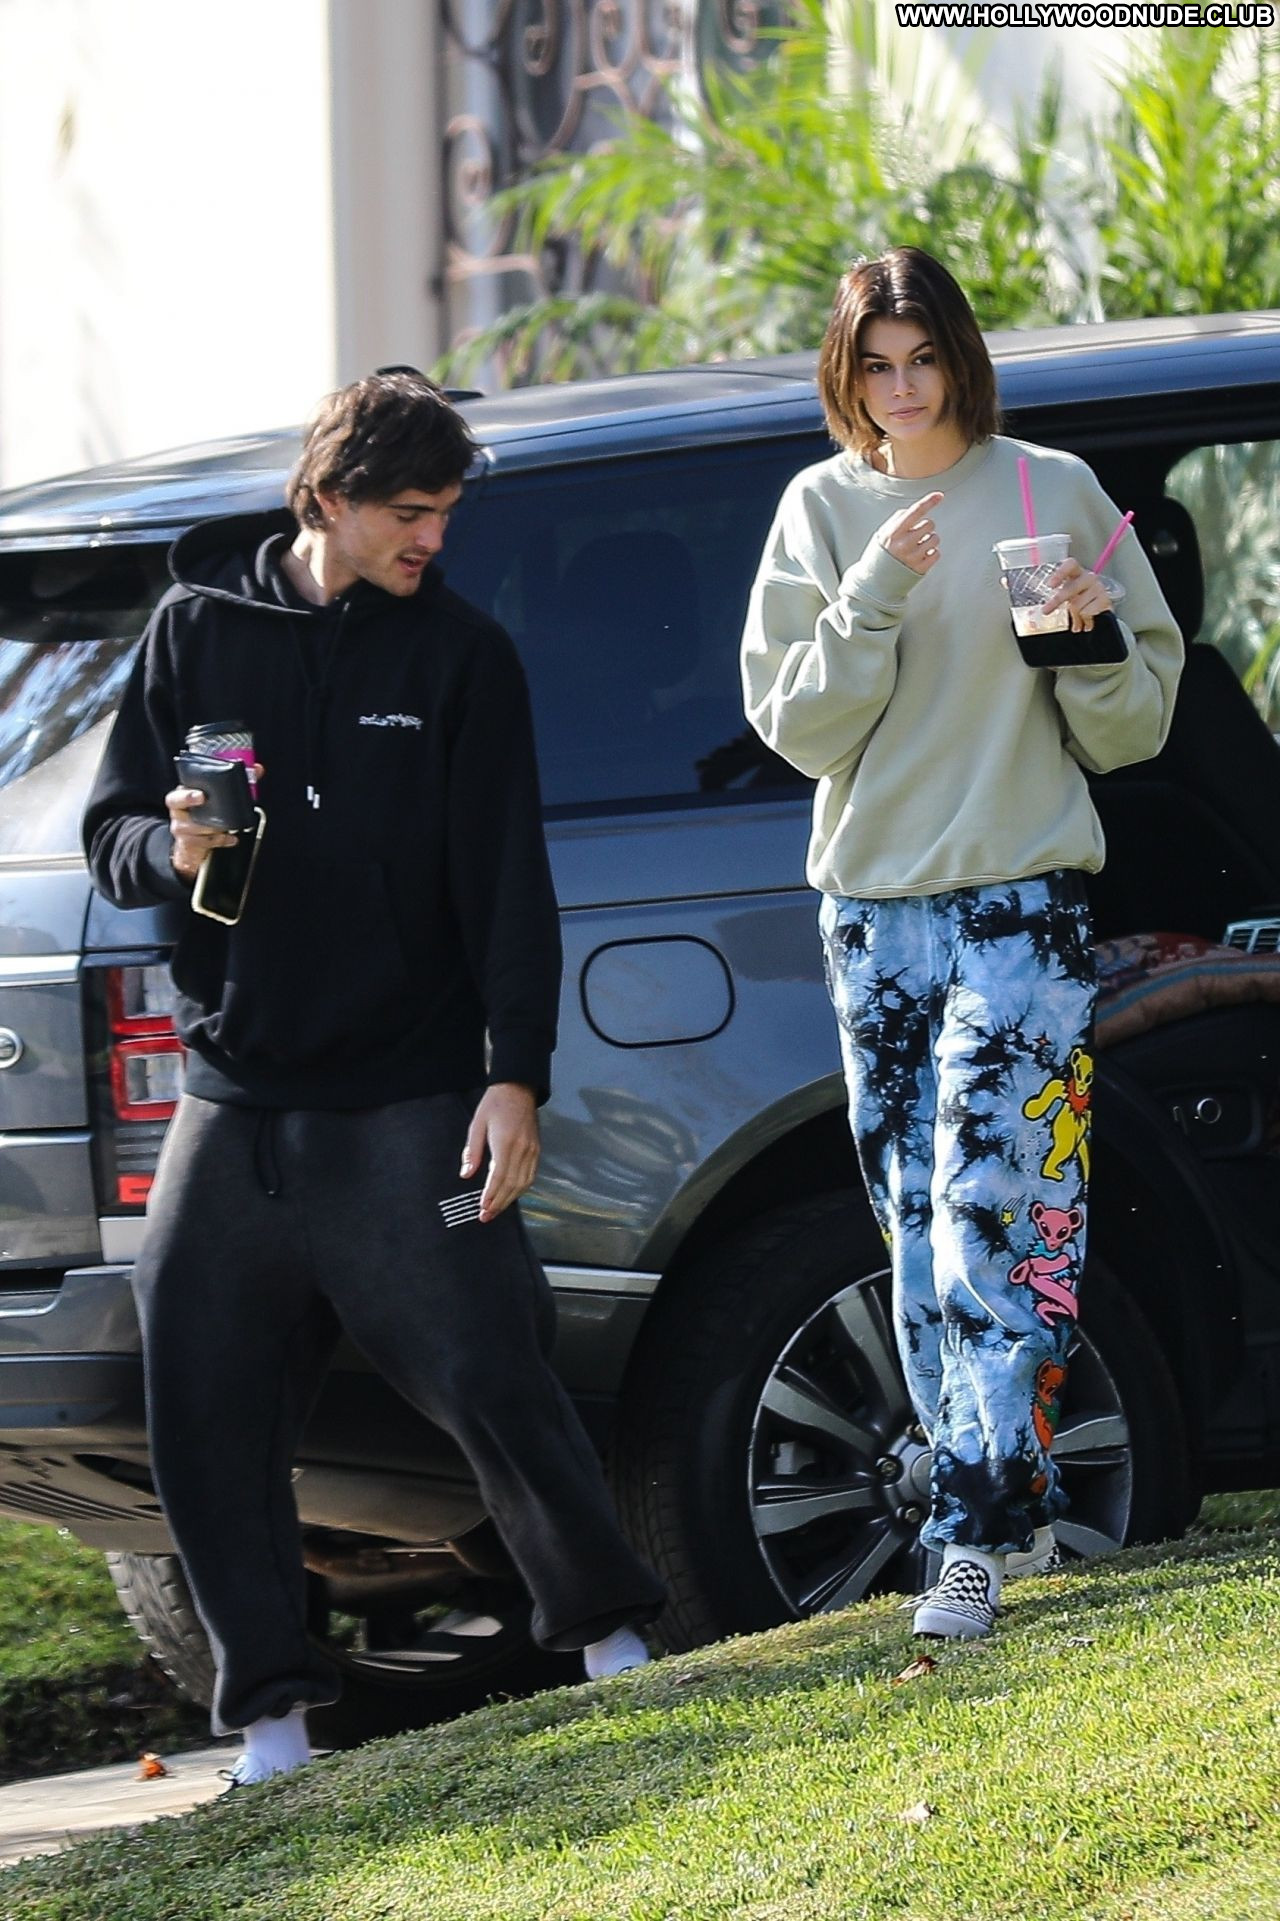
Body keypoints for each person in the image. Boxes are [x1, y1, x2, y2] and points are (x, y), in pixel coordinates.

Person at [83, 370, 664, 1785]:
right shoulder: (195, 631)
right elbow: (113, 837)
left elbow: (509, 887)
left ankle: (613, 1642)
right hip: (235, 1098)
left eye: (445, 512)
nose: (432, 539)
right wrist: (173, 850)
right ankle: (273, 1725)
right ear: (329, 499)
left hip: (408, 1092)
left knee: (491, 1366)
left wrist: (513, 1078)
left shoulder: (462, 656)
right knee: (200, 1389)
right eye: (410, 512)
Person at [740, 249, 1182, 1640]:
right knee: (918, 1224)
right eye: (876, 364)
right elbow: (797, 729)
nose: (903, 387)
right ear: (845, 374)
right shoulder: (820, 512)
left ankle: (974, 1536)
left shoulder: (1051, 488)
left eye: (923, 357)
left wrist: (1086, 634)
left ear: (961, 358)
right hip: (873, 918)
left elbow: (1136, 728)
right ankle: (1005, 1505)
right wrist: (873, 590)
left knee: (1004, 1205)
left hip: (1022, 906)